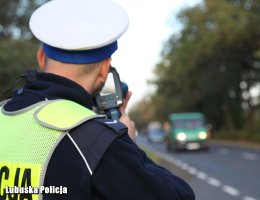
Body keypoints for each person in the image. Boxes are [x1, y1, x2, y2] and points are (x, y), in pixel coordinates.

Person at [0, 0, 195, 199]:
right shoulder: (98, 140)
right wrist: (130, 146)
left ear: (41, 57)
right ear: (104, 69)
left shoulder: (2, 114)